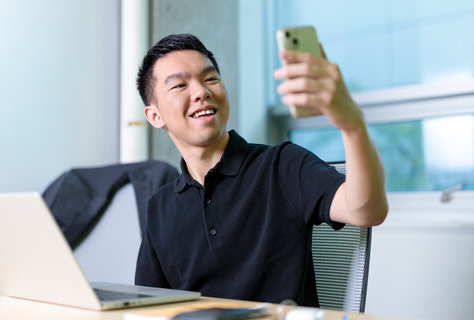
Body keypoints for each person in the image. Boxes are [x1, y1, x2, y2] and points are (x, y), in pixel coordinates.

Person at [134, 33, 388, 306]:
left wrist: (352, 123)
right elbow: (148, 306)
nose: (201, 92)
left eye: (210, 79)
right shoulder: (160, 206)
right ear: (155, 116)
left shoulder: (283, 165)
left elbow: (366, 210)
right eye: (180, 85)